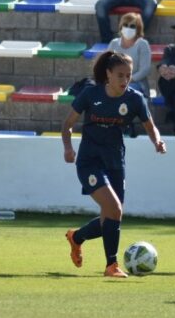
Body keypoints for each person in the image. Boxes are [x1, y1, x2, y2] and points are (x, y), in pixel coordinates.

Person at [62, 51, 166, 278]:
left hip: (115, 163)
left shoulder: (135, 98)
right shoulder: (91, 94)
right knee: (114, 210)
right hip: (90, 162)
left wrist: (157, 141)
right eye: (120, 75)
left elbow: (150, 126)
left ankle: (76, 237)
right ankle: (111, 266)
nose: (125, 80)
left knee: (111, 217)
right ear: (108, 74)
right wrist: (68, 147)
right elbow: (68, 124)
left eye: (128, 75)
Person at [107, 12, 152, 97]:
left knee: (123, 92)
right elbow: (106, 64)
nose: (128, 28)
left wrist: (125, 80)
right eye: (125, 25)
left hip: (137, 84)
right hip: (115, 82)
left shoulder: (143, 44)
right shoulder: (114, 43)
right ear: (121, 27)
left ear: (138, 29)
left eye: (132, 26)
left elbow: (144, 70)